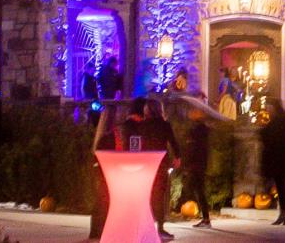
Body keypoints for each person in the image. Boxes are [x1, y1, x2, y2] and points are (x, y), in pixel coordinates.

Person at [118, 97, 178, 241]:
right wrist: (177, 157)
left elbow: (135, 144)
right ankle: (160, 229)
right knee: (160, 196)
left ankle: (144, 227)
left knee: (147, 196)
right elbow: (173, 142)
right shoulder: (165, 125)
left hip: (146, 164)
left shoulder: (142, 125)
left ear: (147, 110)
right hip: (161, 163)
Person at [258, 98, 285, 226]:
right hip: (279, 159)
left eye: (269, 107)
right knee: (279, 186)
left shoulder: (279, 122)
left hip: (279, 159)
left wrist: (262, 130)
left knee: (280, 186)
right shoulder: (279, 121)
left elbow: (272, 137)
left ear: (274, 108)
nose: (268, 111)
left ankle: (283, 213)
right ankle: (282, 213)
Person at [88, 104, 122, 240]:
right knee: (103, 201)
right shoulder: (109, 137)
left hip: (105, 172)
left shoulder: (106, 135)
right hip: (107, 172)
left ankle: (98, 229)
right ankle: (99, 229)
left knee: (102, 200)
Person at [178, 105, 214, 229]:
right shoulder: (199, 128)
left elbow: (195, 149)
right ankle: (205, 218)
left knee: (199, 190)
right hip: (198, 164)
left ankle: (206, 218)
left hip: (196, 164)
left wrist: (188, 162)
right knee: (198, 190)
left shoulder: (199, 129)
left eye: (193, 111)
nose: (190, 113)